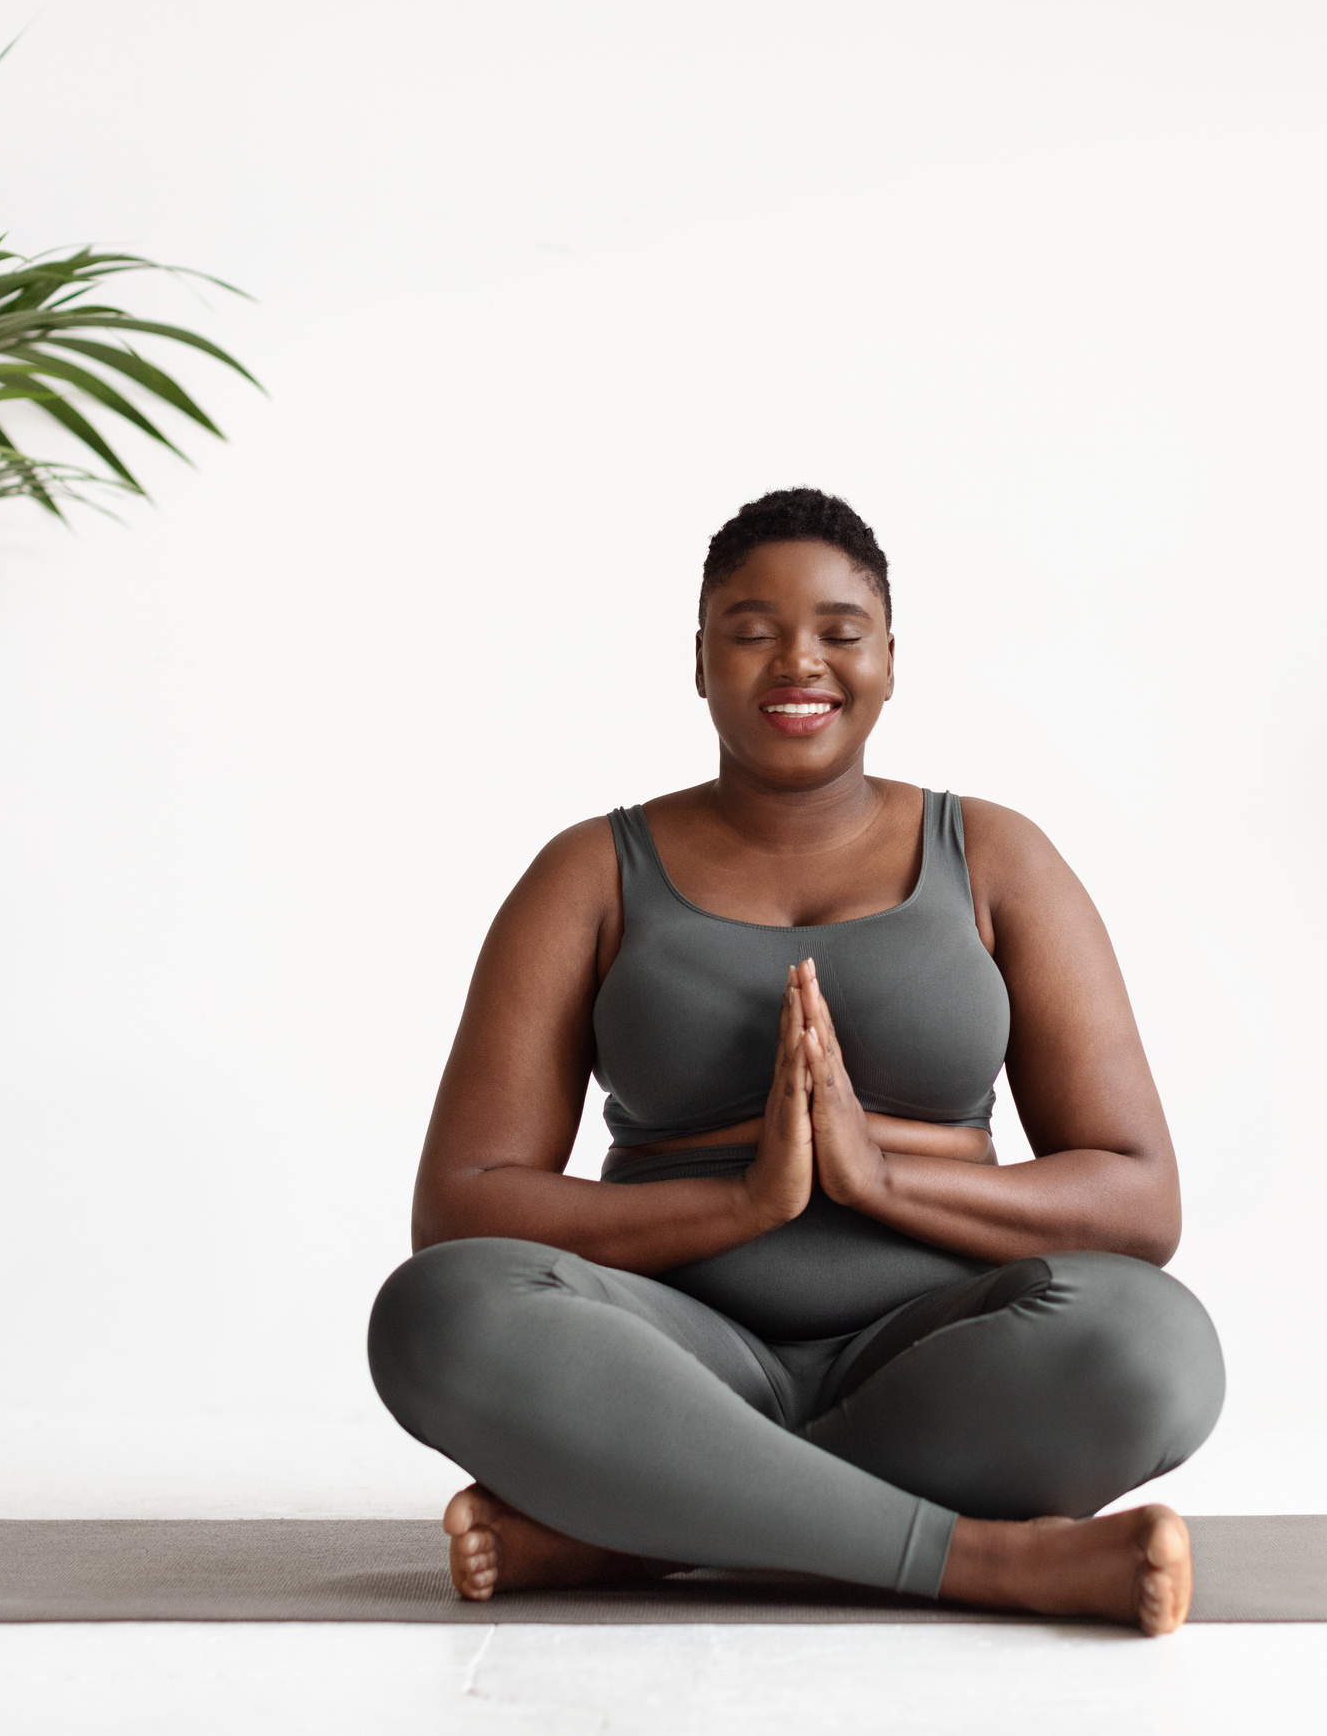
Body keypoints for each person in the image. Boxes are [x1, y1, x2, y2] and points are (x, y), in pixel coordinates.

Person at [368, 489, 1223, 1634]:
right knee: (440, 1310)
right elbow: (463, 1203)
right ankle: (989, 1564)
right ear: (701, 659)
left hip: (946, 1350)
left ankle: (643, 1529)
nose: (798, 660)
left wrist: (879, 1178)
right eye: (753, 628)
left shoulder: (997, 856)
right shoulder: (590, 873)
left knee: (1156, 1346)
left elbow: (1136, 1195)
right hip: (666, 1356)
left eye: (839, 629)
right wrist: (741, 1199)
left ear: (888, 658)